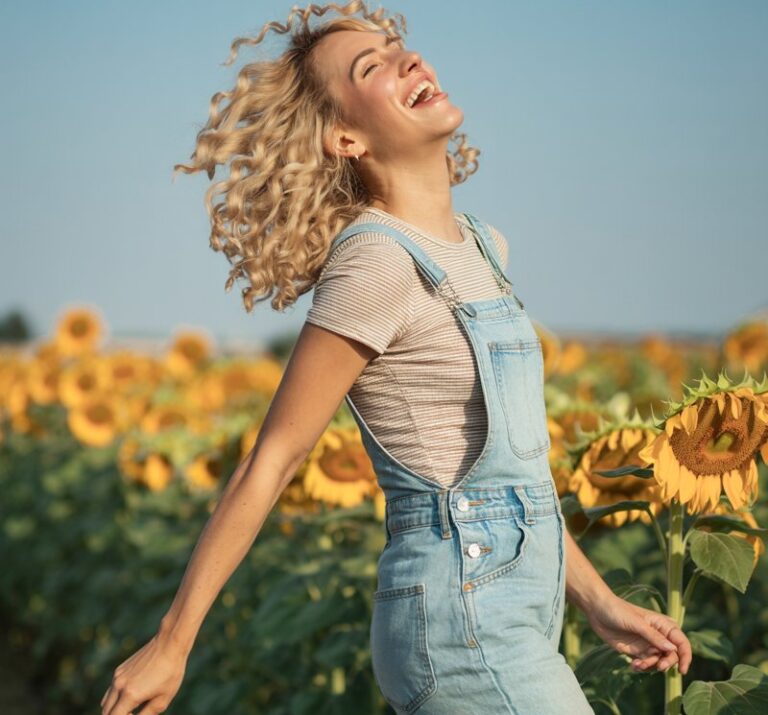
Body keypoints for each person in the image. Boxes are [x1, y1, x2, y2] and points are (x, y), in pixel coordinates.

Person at [100, 2, 692, 713]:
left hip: (518, 604)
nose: (409, 60)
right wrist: (172, 640)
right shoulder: (377, 261)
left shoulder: (484, 246)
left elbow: (509, 478)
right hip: (459, 616)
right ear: (344, 136)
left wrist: (596, 600)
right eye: (371, 67)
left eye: (397, 48)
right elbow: (274, 460)